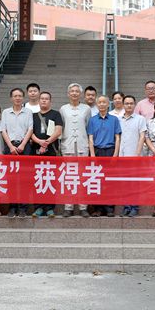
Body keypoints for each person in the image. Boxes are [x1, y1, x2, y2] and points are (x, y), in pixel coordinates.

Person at [60, 83, 92, 218]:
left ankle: (83, 206)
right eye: (72, 91)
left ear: (81, 94)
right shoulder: (63, 109)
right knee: (69, 177)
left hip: (82, 145)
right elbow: (61, 126)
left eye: (77, 91)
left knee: (83, 177)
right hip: (67, 145)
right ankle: (68, 207)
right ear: (68, 94)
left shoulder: (86, 109)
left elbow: (88, 126)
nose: (74, 93)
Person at [1, 87, 33, 217]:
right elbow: (3, 130)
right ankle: (12, 207)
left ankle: (23, 208)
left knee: (24, 178)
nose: (18, 98)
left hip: (25, 147)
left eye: (20, 96)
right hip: (10, 147)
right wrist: (10, 146)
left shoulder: (28, 112)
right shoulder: (5, 112)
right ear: (11, 98)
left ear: (23, 98)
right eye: (15, 96)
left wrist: (23, 144)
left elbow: (30, 129)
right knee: (11, 179)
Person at [31, 92, 63, 218]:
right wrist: (39, 142)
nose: (44, 101)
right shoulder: (33, 116)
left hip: (51, 151)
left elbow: (58, 131)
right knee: (38, 179)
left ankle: (50, 208)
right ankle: (38, 207)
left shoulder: (56, 114)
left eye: (46, 99)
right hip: (36, 151)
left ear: (50, 101)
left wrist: (46, 143)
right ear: (38, 101)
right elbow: (30, 132)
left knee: (50, 179)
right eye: (42, 99)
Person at [88, 95, 121, 217]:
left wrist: (115, 154)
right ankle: (98, 208)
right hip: (97, 151)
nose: (101, 104)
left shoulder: (114, 119)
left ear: (108, 104)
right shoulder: (92, 120)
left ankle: (109, 208)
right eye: (99, 102)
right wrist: (92, 155)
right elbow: (90, 138)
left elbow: (117, 138)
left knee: (109, 181)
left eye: (104, 102)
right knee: (96, 180)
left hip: (110, 151)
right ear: (97, 104)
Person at [118, 95, 146, 217]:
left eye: (131, 103)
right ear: (123, 105)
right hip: (122, 156)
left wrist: (137, 154)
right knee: (124, 183)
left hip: (135, 155)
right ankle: (126, 206)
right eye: (127, 103)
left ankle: (134, 207)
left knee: (134, 183)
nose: (129, 105)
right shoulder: (118, 119)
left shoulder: (140, 119)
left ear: (134, 105)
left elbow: (142, 136)